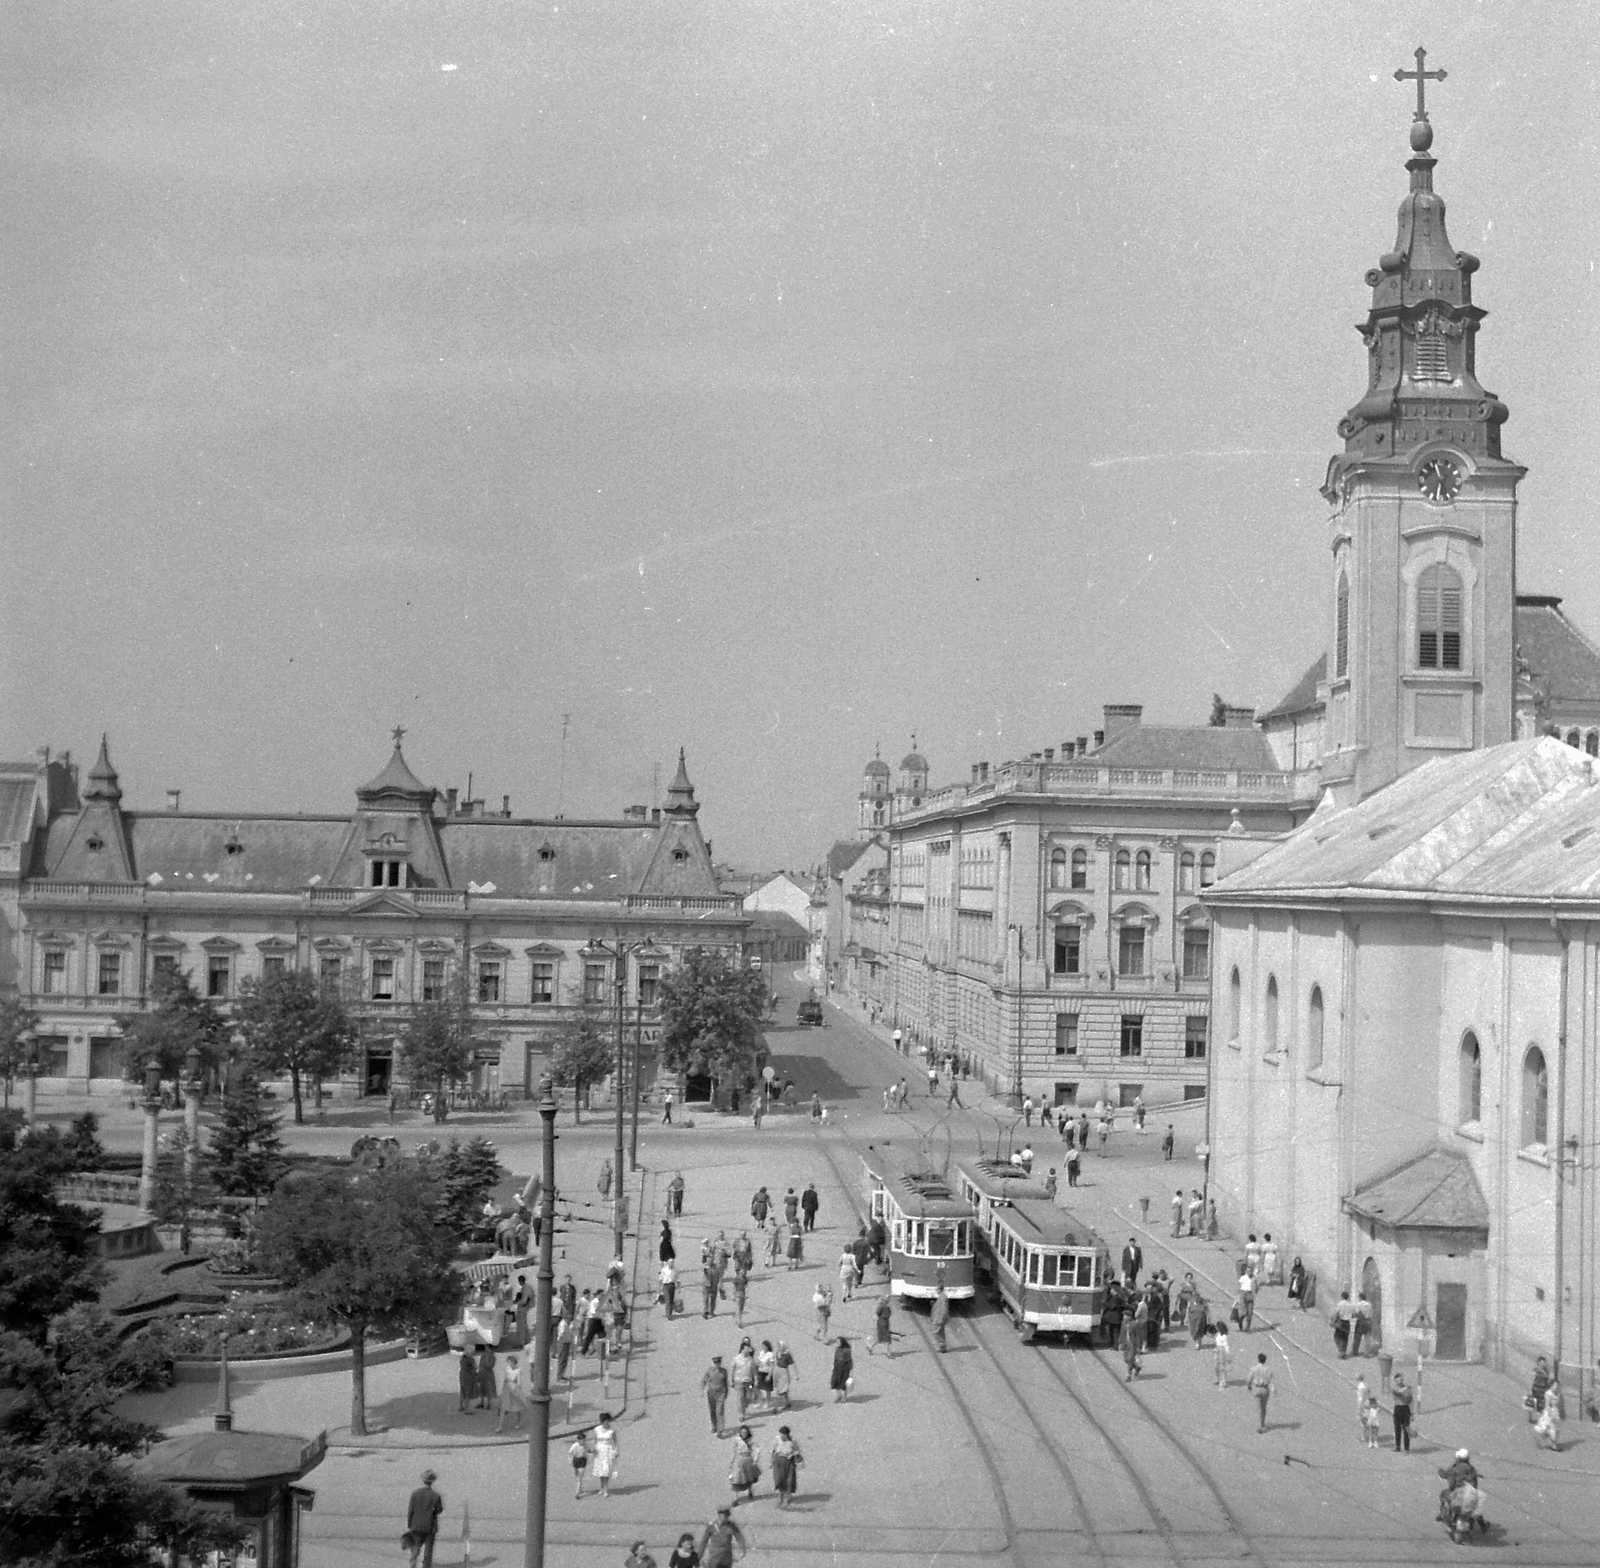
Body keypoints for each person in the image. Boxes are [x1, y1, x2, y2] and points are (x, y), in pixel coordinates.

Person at [403, 1470, 445, 1568]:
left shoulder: (415, 1493)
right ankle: (426, 1566)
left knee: (415, 1546)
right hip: (430, 1526)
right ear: (432, 1481)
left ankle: (413, 1563)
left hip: (416, 1524)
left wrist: (410, 1523)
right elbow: (439, 1510)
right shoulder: (435, 1495)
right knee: (428, 1550)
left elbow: (411, 1509)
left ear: (423, 1480)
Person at [769, 1424, 803, 1508]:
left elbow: (797, 1451)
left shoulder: (792, 1442)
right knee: (779, 1479)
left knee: (789, 1479)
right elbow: (774, 1450)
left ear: (787, 1435)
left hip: (788, 1461)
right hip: (778, 1460)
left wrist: (792, 1455)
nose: (781, 1436)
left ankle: (787, 1497)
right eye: (780, 1434)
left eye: (783, 1435)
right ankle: (781, 1496)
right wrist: (771, 1462)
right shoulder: (777, 1439)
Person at [729, 1424, 760, 1504]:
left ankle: (750, 1491)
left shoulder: (750, 1441)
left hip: (747, 1460)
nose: (744, 1434)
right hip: (739, 1460)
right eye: (742, 1432)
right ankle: (736, 1498)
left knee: (748, 1477)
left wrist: (755, 1460)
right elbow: (734, 1451)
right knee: (736, 1479)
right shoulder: (737, 1440)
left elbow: (756, 1450)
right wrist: (731, 1462)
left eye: (745, 1432)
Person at [495, 1353, 527, 1432]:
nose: (509, 1364)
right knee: (503, 1408)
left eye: (510, 1362)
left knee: (518, 1408)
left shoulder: (518, 1370)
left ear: (514, 1362)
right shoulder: (507, 1369)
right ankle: (500, 1426)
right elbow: (504, 1379)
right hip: (507, 1389)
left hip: (514, 1389)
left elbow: (519, 1382)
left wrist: (517, 1389)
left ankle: (519, 1422)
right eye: (508, 1362)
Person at [591, 1412, 618, 1498]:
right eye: (604, 1421)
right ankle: (602, 1487)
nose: (606, 1423)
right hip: (599, 1450)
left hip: (607, 1451)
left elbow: (615, 1441)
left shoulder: (611, 1431)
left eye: (607, 1421)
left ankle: (606, 1489)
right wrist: (594, 1448)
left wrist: (616, 1450)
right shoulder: (597, 1429)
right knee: (601, 1470)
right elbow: (594, 1440)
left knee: (606, 1470)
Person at [702, 1354, 730, 1436]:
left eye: (718, 1362)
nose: (717, 1364)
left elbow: (725, 1382)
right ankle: (714, 1425)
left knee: (720, 1410)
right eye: (715, 1362)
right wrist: (702, 1390)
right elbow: (704, 1380)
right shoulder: (709, 1371)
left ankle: (720, 1429)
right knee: (712, 1410)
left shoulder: (724, 1371)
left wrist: (726, 1393)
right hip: (711, 1392)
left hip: (721, 1392)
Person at [1246, 1352, 1274, 1432]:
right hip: (1265, 1389)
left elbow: (1249, 1378)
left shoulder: (1254, 1369)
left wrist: (1249, 1386)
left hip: (1256, 1388)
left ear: (1258, 1359)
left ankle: (1258, 1424)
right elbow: (1270, 1380)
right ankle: (1262, 1424)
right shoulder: (1268, 1370)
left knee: (1257, 1406)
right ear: (1265, 1360)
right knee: (1263, 1408)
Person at [732, 1340, 757, 1420]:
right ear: (742, 1349)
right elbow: (733, 1369)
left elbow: (754, 1370)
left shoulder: (750, 1359)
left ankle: (744, 1406)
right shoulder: (736, 1359)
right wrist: (731, 1380)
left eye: (748, 1349)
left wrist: (756, 1379)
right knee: (740, 1397)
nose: (748, 1350)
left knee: (749, 1397)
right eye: (746, 1348)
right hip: (738, 1381)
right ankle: (742, 1414)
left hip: (748, 1381)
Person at [1534, 1378, 1562, 1450]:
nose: (1556, 1387)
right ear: (1551, 1386)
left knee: (1554, 1429)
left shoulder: (1558, 1394)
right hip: (1549, 1413)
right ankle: (1552, 1444)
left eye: (1557, 1385)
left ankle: (1551, 1443)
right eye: (1555, 1385)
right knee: (1550, 1429)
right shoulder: (1548, 1394)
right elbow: (1547, 1404)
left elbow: (1558, 1404)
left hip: (1555, 1412)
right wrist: (1550, 1414)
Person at [1391, 1371, 1414, 1452]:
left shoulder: (1407, 1388)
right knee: (1397, 1429)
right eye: (1398, 1380)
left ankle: (1407, 1448)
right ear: (1395, 1381)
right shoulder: (1394, 1388)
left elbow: (1411, 1400)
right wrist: (1406, 1388)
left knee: (1406, 1429)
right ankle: (1397, 1446)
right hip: (1398, 1408)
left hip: (1406, 1409)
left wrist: (1412, 1412)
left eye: (1401, 1380)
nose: (1400, 1381)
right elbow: (1399, 1393)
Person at [1528, 1355, 1553, 1421]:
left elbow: (1546, 1377)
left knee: (1541, 1404)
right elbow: (1533, 1376)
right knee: (1531, 1403)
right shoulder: (1536, 1369)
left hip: (1542, 1390)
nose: (1544, 1364)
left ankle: (1540, 1419)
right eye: (1542, 1362)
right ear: (1538, 1362)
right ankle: (1531, 1417)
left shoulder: (1546, 1371)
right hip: (1535, 1389)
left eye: (1544, 1362)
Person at [773, 1339, 795, 1410]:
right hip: (777, 1370)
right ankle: (787, 1402)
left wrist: (796, 1374)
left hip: (784, 1372)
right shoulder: (778, 1353)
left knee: (781, 1389)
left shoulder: (787, 1355)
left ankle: (776, 1407)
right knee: (779, 1388)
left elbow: (793, 1364)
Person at [870, 1293, 894, 1357]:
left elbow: (878, 1313)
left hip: (882, 1323)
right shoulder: (884, 1307)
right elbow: (880, 1313)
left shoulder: (883, 1307)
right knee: (887, 1339)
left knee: (880, 1338)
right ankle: (888, 1353)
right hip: (883, 1323)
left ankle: (871, 1347)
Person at [830, 1336, 854, 1401]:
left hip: (844, 1369)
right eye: (836, 1341)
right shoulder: (837, 1349)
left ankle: (844, 1397)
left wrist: (850, 1370)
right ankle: (838, 1396)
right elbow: (835, 1359)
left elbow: (849, 1360)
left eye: (838, 1342)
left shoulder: (846, 1350)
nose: (837, 1343)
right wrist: (833, 1366)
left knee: (843, 1384)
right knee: (835, 1382)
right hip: (837, 1369)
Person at [1332, 1290, 1354, 1358]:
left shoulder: (1340, 1304)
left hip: (1341, 1322)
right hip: (1347, 1322)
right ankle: (1343, 1351)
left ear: (1342, 1297)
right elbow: (1353, 1314)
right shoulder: (1350, 1305)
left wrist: (1333, 1321)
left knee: (1337, 1337)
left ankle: (1340, 1351)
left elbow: (1337, 1313)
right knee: (1345, 1338)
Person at [930, 1283, 951, 1352]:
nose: (936, 1291)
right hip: (940, 1318)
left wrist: (941, 1319)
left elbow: (943, 1309)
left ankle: (942, 1345)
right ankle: (942, 1347)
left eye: (937, 1289)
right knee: (941, 1332)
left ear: (940, 1289)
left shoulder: (942, 1298)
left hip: (940, 1319)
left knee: (936, 1332)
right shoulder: (942, 1297)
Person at [755, 1340, 776, 1406]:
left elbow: (772, 1365)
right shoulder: (761, 1352)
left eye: (764, 1346)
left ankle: (767, 1402)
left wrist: (769, 1375)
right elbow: (758, 1360)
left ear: (767, 1346)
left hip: (767, 1372)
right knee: (758, 1387)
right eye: (762, 1346)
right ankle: (759, 1401)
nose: (763, 1347)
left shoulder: (770, 1354)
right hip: (760, 1371)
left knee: (767, 1389)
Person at [457, 1346, 477, 1413]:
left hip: (462, 1375)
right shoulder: (470, 1359)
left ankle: (461, 1406)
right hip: (469, 1376)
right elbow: (475, 1367)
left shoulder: (462, 1358)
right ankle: (466, 1409)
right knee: (468, 1392)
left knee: (463, 1391)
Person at [1213, 1319, 1232, 1388]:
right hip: (1217, 1350)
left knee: (1222, 1367)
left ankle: (1223, 1381)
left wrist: (1228, 1354)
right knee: (1216, 1366)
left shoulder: (1224, 1336)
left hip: (1222, 1351)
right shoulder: (1217, 1335)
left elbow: (1226, 1345)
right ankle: (1217, 1378)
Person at [1351, 1292, 1372, 1358]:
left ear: (1360, 1297)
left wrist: (1353, 1315)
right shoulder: (1369, 1305)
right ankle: (1367, 1353)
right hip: (1368, 1322)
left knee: (1357, 1337)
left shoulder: (1358, 1304)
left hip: (1360, 1322)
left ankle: (1355, 1352)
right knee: (1367, 1338)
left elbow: (1355, 1314)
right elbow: (1371, 1314)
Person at [1235, 1266, 1255, 1333]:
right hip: (1243, 1294)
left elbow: (1257, 1286)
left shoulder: (1253, 1278)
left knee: (1250, 1312)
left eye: (1250, 1271)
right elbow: (1239, 1286)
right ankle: (1240, 1320)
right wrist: (1238, 1296)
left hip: (1250, 1294)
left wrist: (1254, 1292)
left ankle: (1248, 1328)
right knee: (1244, 1312)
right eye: (1248, 1271)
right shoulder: (1243, 1278)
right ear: (1246, 1271)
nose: (1249, 1272)